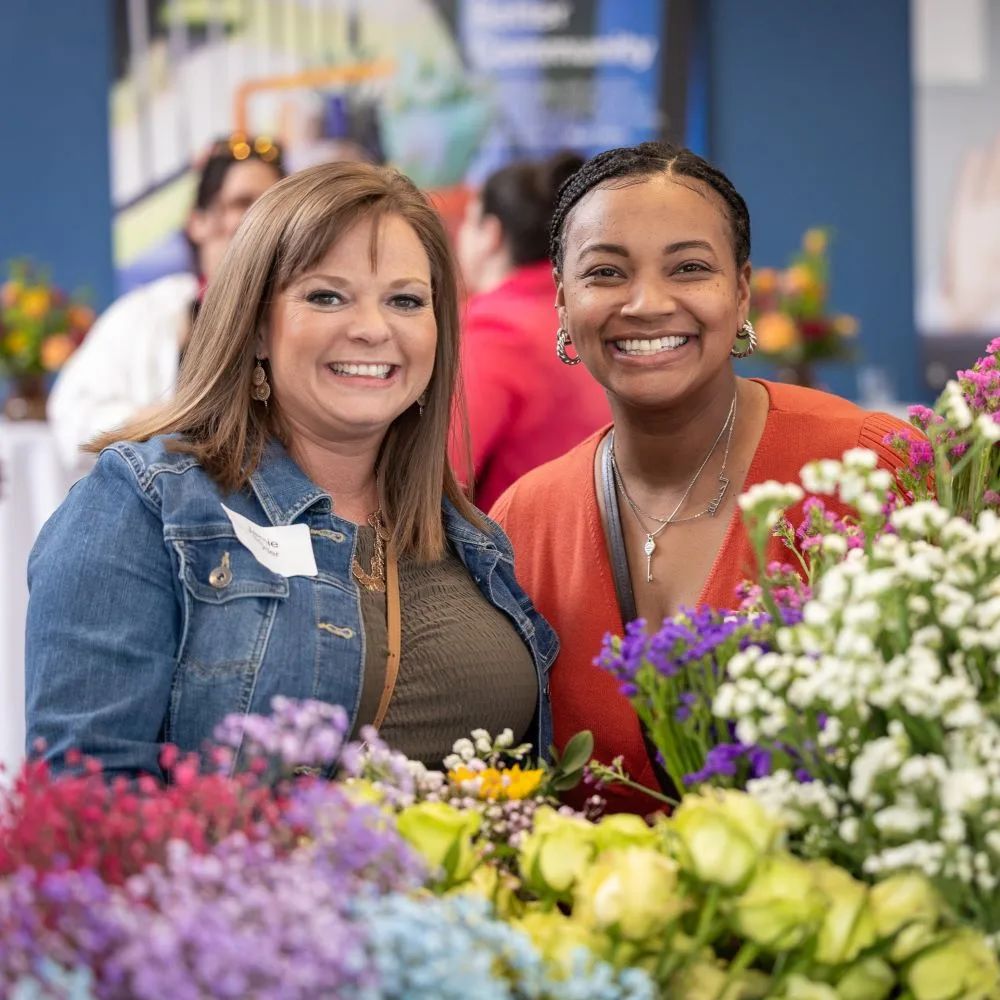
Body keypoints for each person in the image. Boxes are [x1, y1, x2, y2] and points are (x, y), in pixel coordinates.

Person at [26, 161, 556, 780]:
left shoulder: (474, 539)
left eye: (406, 300)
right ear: (254, 327)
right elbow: (83, 805)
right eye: (327, 295)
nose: (372, 328)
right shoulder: (144, 505)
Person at [489, 142, 915, 815]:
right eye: (606, 272)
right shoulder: (524, 523)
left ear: (741, 290)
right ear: (563, 302)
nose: (648, 302)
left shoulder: (866, 469)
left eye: (689, 268)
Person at [46, 136, 285, 474]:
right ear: (197, 221)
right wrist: (170, 419)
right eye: (243, 202)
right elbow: (73, 413)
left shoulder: (302, 315)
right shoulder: (146, 314)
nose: (259, 220)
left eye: (271, 207)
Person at [452, 151, 611, 510]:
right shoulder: (584, 313)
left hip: (521, 554)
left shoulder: (497, 331)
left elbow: (441, 473)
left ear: (491, 234)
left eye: (468, 220)